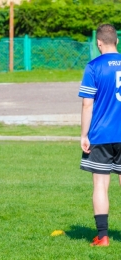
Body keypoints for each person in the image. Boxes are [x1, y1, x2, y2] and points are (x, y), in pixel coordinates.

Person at [78, 24, 121, 247]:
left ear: (98, 42)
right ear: (117, 41)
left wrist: (83, 134)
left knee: (101, 185)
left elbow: (87, 104)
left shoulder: (94, 66)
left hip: (102, 134)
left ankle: (103, 236)